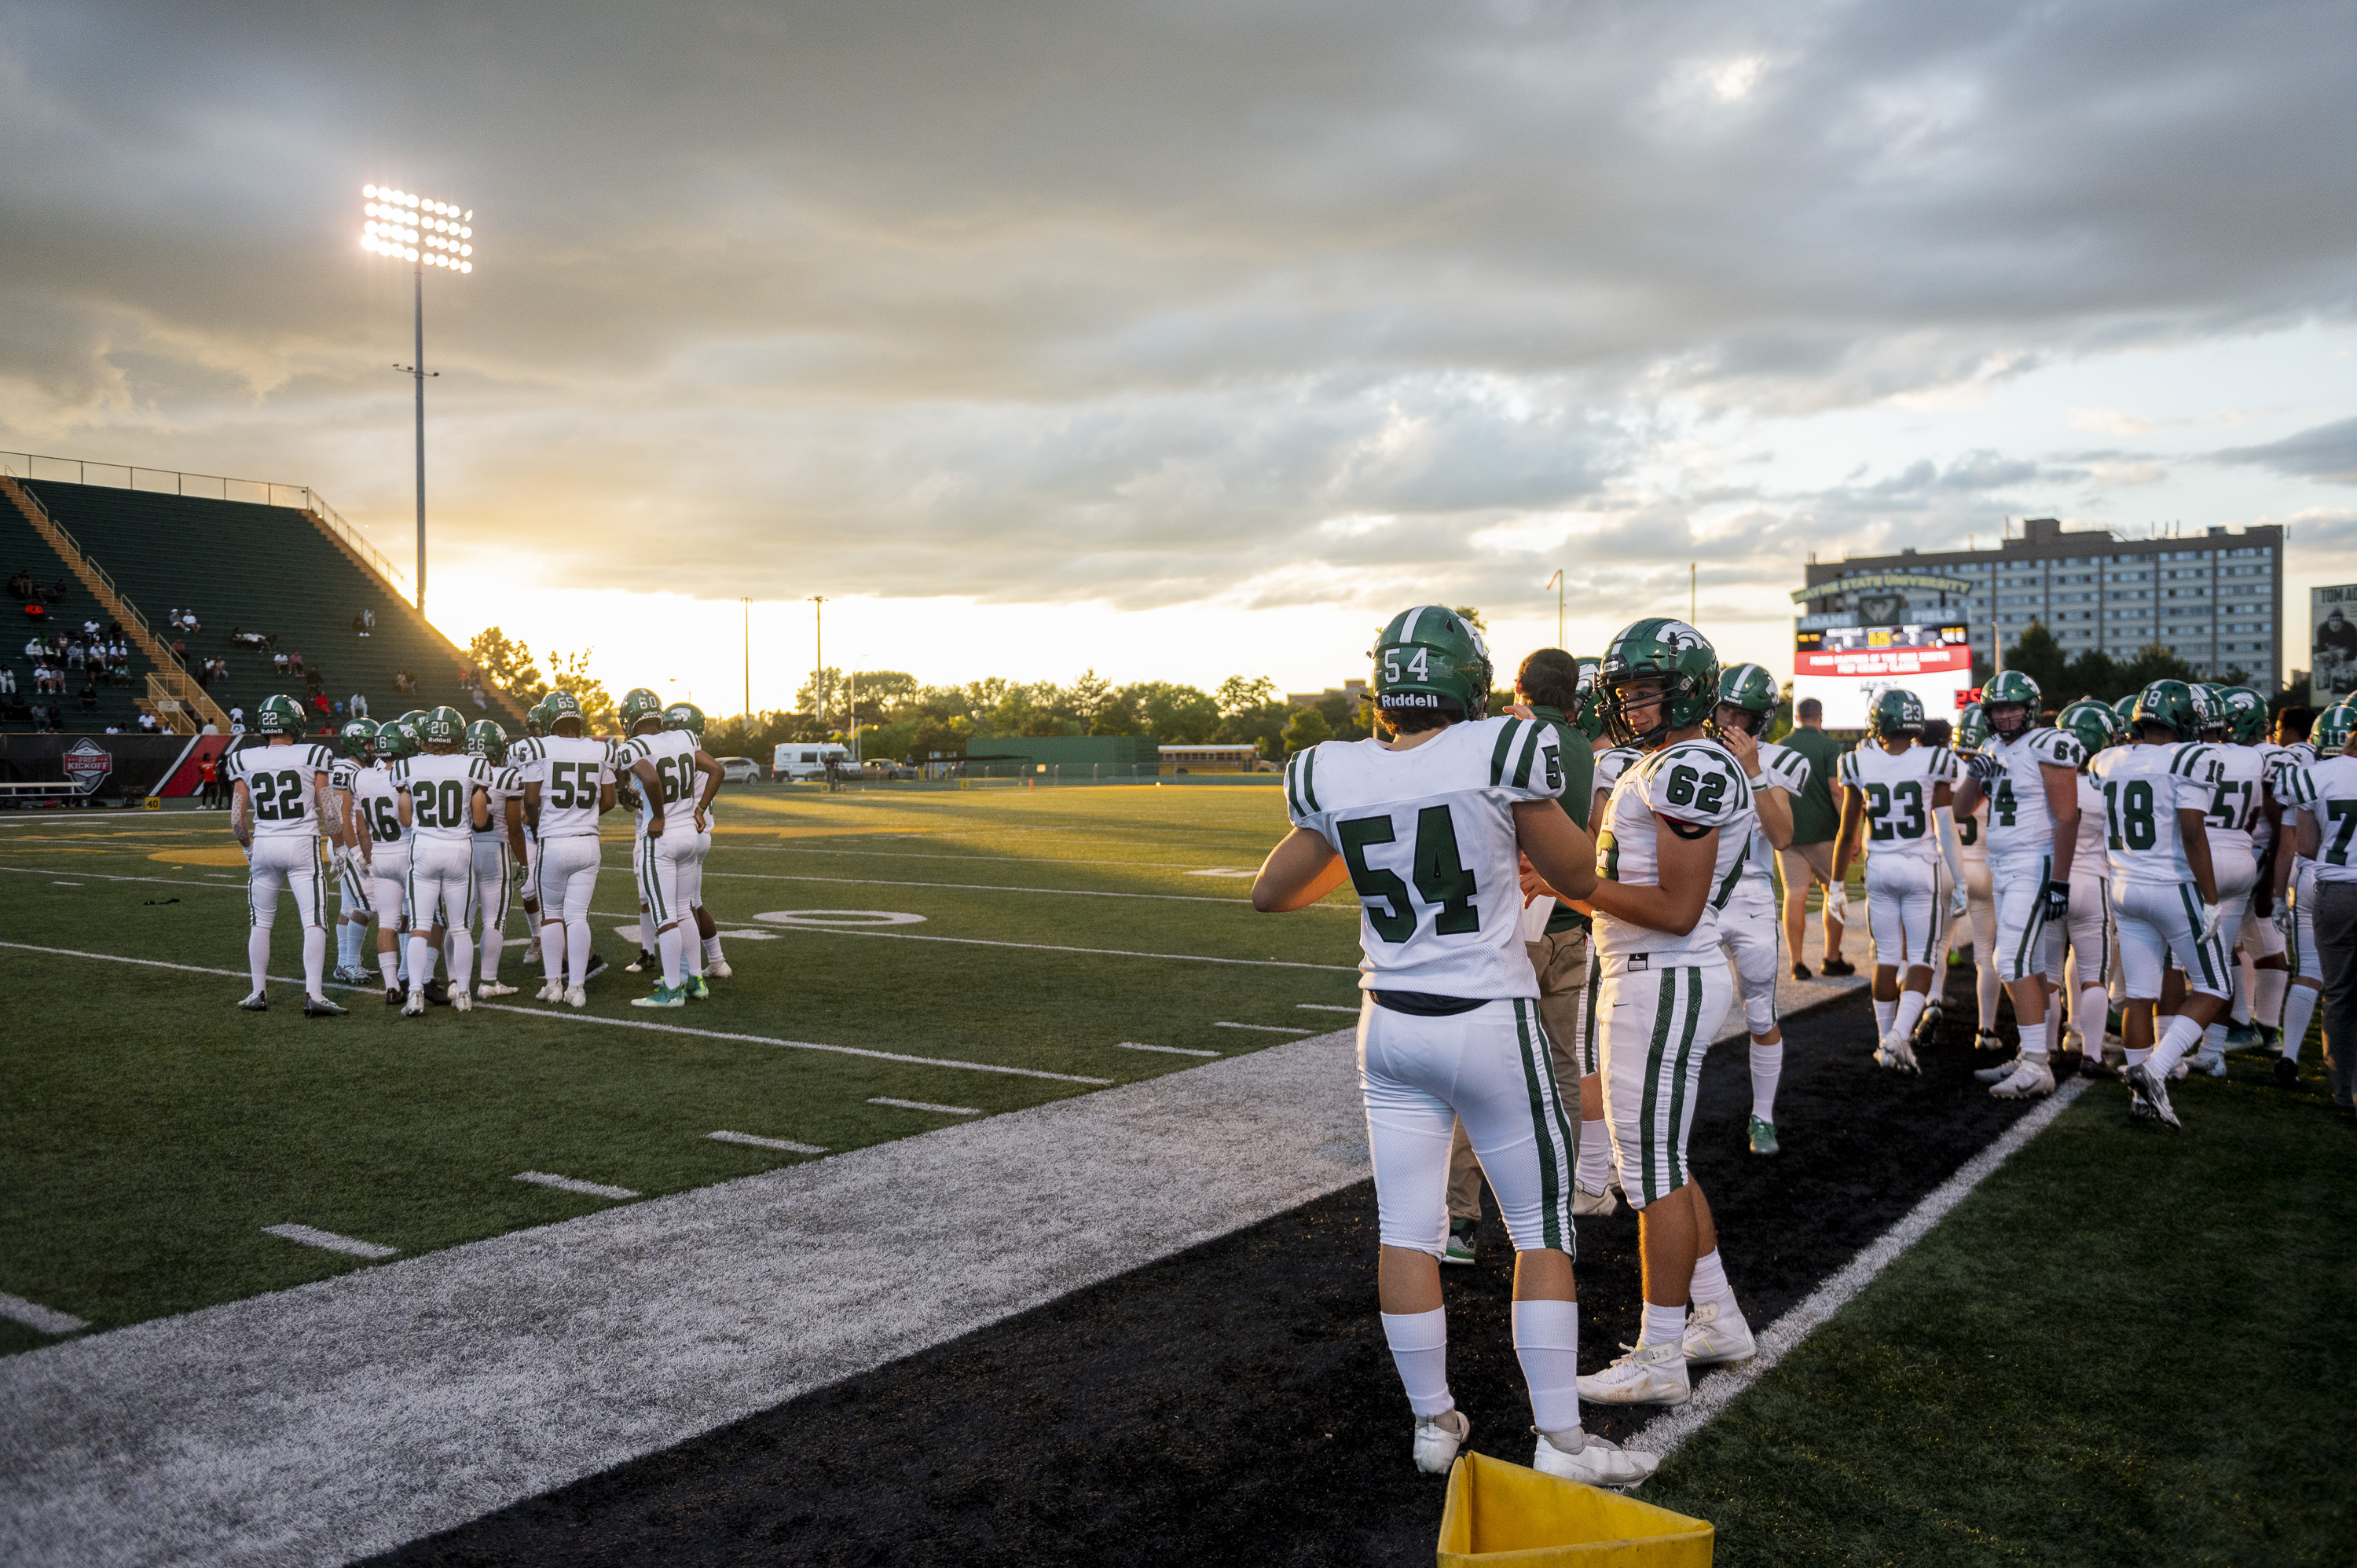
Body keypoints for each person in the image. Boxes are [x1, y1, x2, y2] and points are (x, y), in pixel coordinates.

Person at [1250, 605, 1652, 1486]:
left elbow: (1271, 892)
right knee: (1543, 1230)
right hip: (1486, 1017)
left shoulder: (1333, 768)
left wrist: (1364, 840)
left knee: (1407, 1231)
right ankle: (1560, 1441)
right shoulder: (1500, 750)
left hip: (1389, 1023)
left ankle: (1434, 1424)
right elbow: (1581, 875)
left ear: (1385, 683)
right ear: (1468, 681)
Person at [1565, 618, 1760, 1413]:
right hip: (1643, 973)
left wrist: (1567, 888)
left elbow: (1679, 908)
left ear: (1685, 693)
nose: (1631, 706)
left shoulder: (1691, 764)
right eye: (1625, 693)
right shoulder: (1663, 761)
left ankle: (1659, 1353)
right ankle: (1718, 1320)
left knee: (1647, 1175)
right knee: (1661, 1163)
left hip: (1663, 973)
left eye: (1645, 691)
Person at [1439, 649, 1596, 1262]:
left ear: (1522, 687)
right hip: (1568, 927)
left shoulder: (1513, 737)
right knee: (1560, 1069)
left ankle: (1461, 1218)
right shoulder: (1583, 746)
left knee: (1483, 1074)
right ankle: (1560, 1201)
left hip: (1514, 927)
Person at [2087, 680, 2230, 1127]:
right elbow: (2192, 833)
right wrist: (2210, 897)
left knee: (2139, 996)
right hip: (2173, 887)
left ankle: (2140, 1100)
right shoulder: (2190, 758)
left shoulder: (2108, 760)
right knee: (2215, 987)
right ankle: (2155, 1069)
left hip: (2125, 888)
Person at [1949, 671, 2083, 1099]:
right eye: (1998, 709)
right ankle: (2034, 1051)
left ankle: (2036, 1064)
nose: (2006, 716)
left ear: (2030, 708)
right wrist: (1974, 773)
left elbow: (2067, 815)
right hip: (2002, 864)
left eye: (2013, 707)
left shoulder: (2047, 744)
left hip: (2034, 862)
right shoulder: (1989, 748)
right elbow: (1962, 808)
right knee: (2027, 963)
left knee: (2010, 960)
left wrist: (2060, 879)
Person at [1833, 690, 1960, 1072]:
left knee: (1886, 960)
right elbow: (1947, 829)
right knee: (1922, 959)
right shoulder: (1935, 758)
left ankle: (1884, 1040)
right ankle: (1899, 1037)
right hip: (1921, 867)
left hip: (1880, 869)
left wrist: (1837, 886)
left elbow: (1846, 830)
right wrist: (1962, 881)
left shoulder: (1857, 762)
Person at [1709, 662, 1803, 1154]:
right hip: (1698, 896)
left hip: (1750, 898)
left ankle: (1762, 1117)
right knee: (1678, 1009)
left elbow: (1784, 837)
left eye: (1744, 715)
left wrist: (1754, 774)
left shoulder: (1776, 761)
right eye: (1726, 708)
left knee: (1761, 1013)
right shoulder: (1692, 751)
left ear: (1761, 720)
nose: (1732, 722)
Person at [221, 694, 348, 1016]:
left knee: (260, 922)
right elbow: (329, 811)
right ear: (296, 724)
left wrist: (248, 848)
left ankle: (256, 992)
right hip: (302, 845)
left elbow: (237, 818)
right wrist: (341, 847)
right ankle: (314, 994)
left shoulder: (244, 759)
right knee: (314, 921)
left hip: (264, 845)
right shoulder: (314, 754)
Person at [615, 689, 725, 1008]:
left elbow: (649, 779)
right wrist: (701, 808)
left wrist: (659, 816)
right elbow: (717, 769)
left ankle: (672, 991)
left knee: (666, 916)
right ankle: (696, 980)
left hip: (661, 839)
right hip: (690, 834)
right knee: (683, 910)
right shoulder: (684, 739)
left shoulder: (633, 746)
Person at [512, 690, 614, 1006]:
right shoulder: (602, 750)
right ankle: (578, 989)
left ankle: (555, 984)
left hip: (554, 841)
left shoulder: (538, 747)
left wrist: (543, 821)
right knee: (577, 916)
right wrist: (581, 818)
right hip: (587, 842)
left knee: (552, 916)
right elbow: (609, 800)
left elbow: (530, 800)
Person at [390, 706, 493, 1016]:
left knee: (420, 926)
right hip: (458, 850)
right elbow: (479, 819)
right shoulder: (474, 766)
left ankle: (416, 994)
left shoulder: (407, 767)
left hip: (423, 849)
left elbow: (405, 819)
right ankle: (463, 994)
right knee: (460, 928)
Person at [1776, 696, 1853, 980]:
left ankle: (1797, 962)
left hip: (1789, 832)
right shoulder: (1830, 746)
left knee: (1794, 895)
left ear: (1797, 717)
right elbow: (1836, 791)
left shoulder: (1781, 746)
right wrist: (1851, 832)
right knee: (1834, 893)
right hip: (1824, 833)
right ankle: (1832, 957)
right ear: (1820, 716)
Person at [464, 720, 530, 999]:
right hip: (495, 851)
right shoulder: (507, 777)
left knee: (461, 922)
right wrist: (524, 862)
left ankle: (457, 982)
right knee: (494, 919)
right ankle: (488, 981)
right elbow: (515, 828)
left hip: (463, 850)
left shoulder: (459, 772)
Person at [327, 719, 380, 985]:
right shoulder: (344, 769)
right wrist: (355, 851)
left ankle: (344, 965)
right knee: (368, 904)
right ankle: (349, 964)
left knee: (349, 907)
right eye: (369, 744)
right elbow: (337, 813)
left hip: (347, 845)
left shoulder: (353, 768)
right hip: (347, 845)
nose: (373, 749)